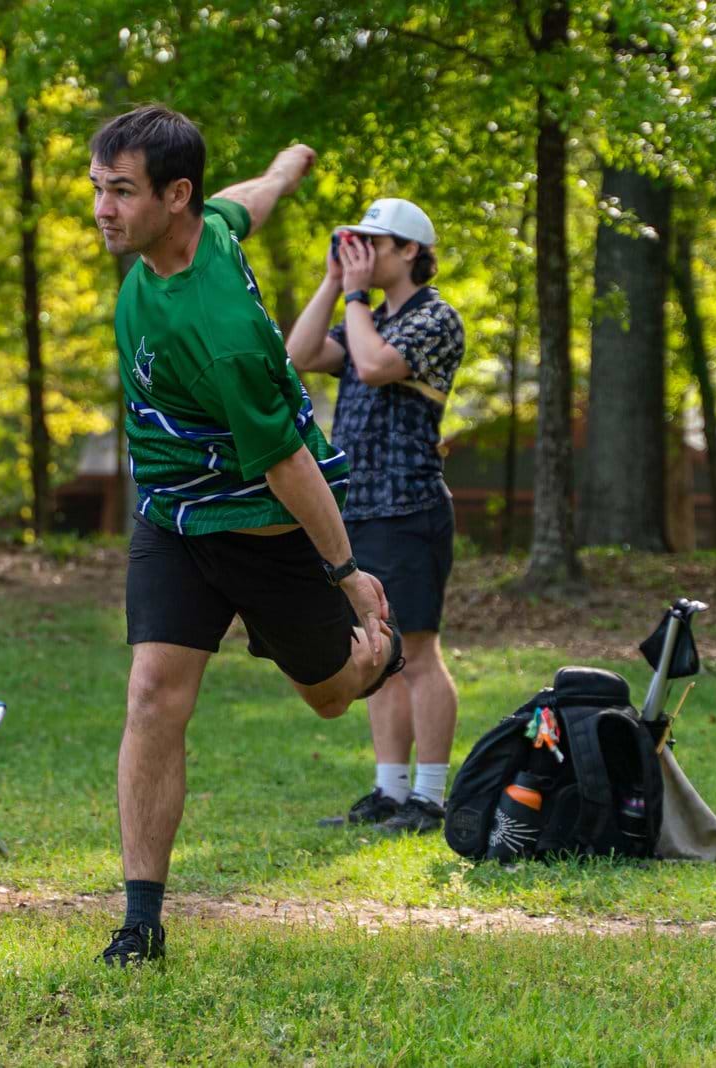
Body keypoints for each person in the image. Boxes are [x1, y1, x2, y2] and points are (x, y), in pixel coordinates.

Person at [90, 105, 404, 967]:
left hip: (264, 530)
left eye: (123, 192)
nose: (104, 210)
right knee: (152, 696)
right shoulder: (203, 231)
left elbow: (289, 466)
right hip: (173, 518)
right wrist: (287, 164)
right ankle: (140, 922)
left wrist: (349, 576)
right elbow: (246, 199)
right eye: (99, 188)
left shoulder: (221, 327)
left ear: (173, 197)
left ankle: (374, 653)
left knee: (332, 696)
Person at [284, 199, 466, 835]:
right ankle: (390, 792)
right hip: (358, 509)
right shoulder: (367, 315)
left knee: (417, 652)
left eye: (374, 243)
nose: (361, 252)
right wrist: (334, 281)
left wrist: (356, 297)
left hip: (410, 507)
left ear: (410, 250)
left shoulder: (435, 317)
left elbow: (374, 366)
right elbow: (299, 354)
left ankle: (430, 797)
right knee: (379, 648)